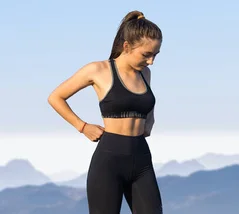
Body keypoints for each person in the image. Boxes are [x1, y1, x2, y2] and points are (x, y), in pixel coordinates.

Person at [47, 10, 163, 214]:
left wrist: (149, 122)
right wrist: (82, 127)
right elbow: (56, 97)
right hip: (109, 161)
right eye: (146, 54)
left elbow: (148, 101)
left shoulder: (145, 73)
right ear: (127, 46)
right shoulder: (98, 70)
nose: (151, 61)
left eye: (155, 55)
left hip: (142, 158)